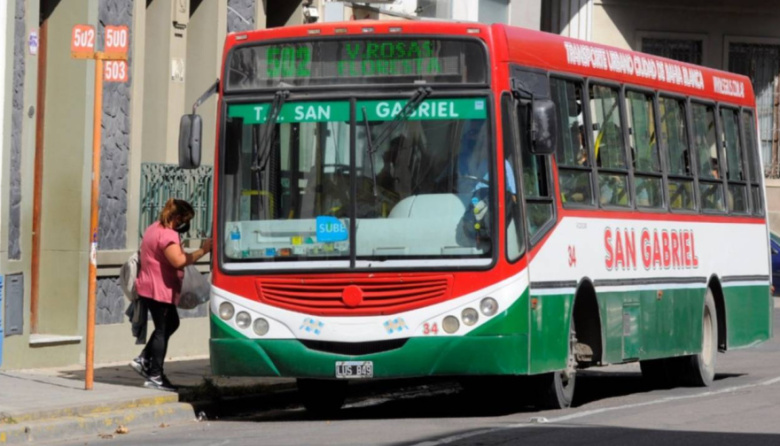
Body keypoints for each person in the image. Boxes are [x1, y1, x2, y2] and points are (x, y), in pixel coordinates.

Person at [129, 198, 212, 391]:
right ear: (176, 217)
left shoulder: (153, 228)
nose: (186, 224)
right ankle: (155, 375)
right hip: (160, 290)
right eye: (185, 219)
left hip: (149, 287)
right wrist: (203, 250)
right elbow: (178, 261)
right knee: (162, 330)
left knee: (171, 323)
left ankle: (144, 359)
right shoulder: (168, 235)